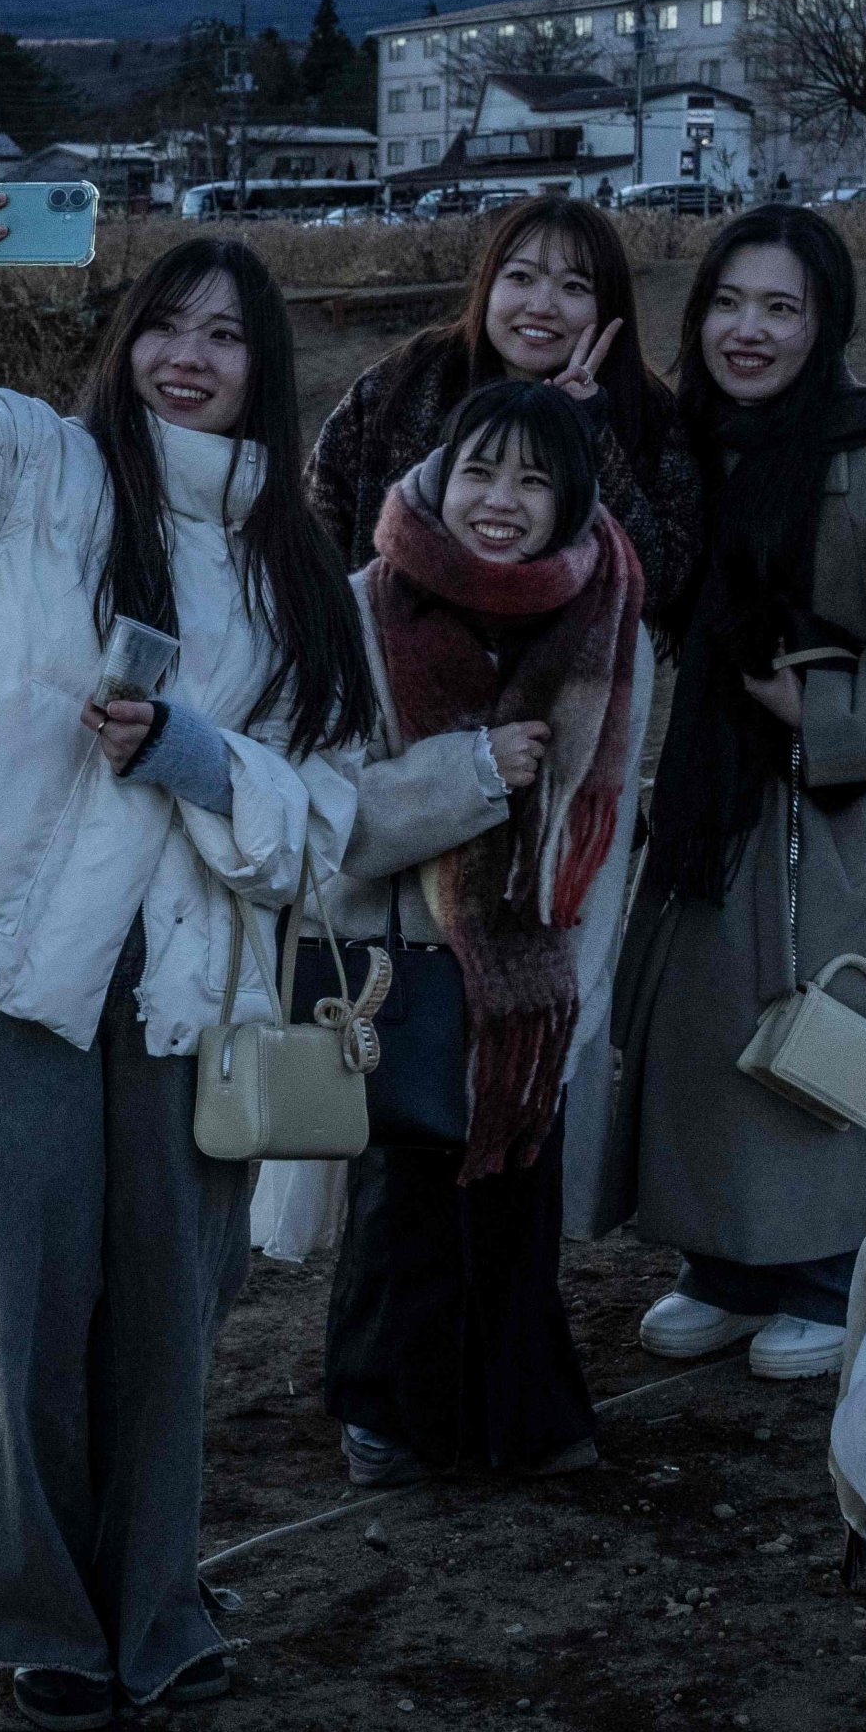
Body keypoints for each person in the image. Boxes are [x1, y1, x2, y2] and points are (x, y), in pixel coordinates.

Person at [0, 180, 375, 1728]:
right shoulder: (43, 474)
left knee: (169, 1304)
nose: (188, 357)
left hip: (190, 990)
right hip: (5, 965)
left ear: (264, 368)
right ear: (124, 342)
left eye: (224, 336)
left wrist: (190, 754)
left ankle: (155, 1598)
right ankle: (33, 1610)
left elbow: (323, 830)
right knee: (27, 1290)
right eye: (166, 326)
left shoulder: (300, 578)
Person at [613, 209, 866, 1381]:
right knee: (712, 1019)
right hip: (715, 795)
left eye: (780, 308)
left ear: (825, 322)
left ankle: (831, 1267)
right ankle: (730, 1261)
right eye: (728, 304)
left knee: (830, 1014)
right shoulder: (700, 444)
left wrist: (823, 712)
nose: (749, 331)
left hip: (847, 803)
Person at [297, 379, 649, 1486]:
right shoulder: (361, 604)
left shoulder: (607, 619)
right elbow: (329, 813)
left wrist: (577, 983)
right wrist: (471, 776)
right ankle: (384, 1412)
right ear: (442, 476)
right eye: (482, 471)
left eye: (536, 482)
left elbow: (616, 817)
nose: (502, 501)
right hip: (397, 959)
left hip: (536, 980)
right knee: (402, 1192)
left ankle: (523, 1414)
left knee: (517, 1186)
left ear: (574, 502)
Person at [302, 192, 703, 632]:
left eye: (574, 286)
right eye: (520, 277)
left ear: (607, 305)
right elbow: (315, 525)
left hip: (567, 684)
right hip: (386, 666)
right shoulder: (404, 383)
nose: (541, 305)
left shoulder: (645, 411)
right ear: (488, 286)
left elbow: (662, 580)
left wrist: (588, 433)